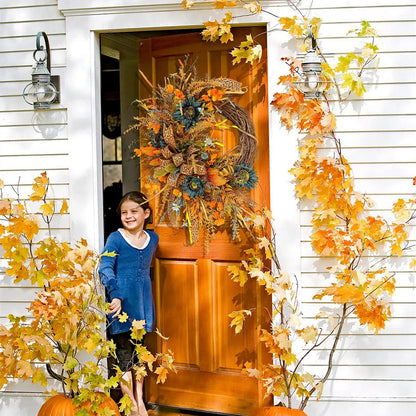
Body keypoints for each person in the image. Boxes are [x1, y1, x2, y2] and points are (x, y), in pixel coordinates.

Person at [99, 191, 159, 416]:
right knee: (124, 354)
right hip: (120, 302)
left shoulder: (153, 239)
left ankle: (140, 399)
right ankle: (131, 403)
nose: (129, 216)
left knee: (140, 351)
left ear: (146, 213)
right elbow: (105, 266)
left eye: (134, 211)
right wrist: (114, 294)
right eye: (124, 212)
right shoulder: (116, 238)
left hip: (142, 302)